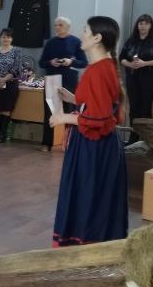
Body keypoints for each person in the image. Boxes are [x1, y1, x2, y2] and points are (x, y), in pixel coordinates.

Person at [50, 16, 127, 247]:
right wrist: (74, 98)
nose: (81, 34)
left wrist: (64, 117)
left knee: (88, 196)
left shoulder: (99, 70)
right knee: (92, 197)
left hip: (94, 146)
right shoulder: (103, 66)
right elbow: (98, 104)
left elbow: (100, 117)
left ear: (97, 38)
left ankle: (86, 247)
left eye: (85, 30)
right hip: (97, 145)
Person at [39, 17, 87, 152]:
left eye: (60, 25)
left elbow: (84, 62)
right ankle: (47, 143)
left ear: (68, 27)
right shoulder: (50, 42)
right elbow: (41, 62)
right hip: (52, 79)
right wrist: (51, 62)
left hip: (69, 81)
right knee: (50, 111)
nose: (57, 27)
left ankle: (69, 143)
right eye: (56, 25)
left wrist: (71, 62)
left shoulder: (76, 42)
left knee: (70, 111)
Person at [119, 14, 153, 144]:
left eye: (146, 23)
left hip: (149, 78)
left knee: (145, 109)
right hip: (132, 78)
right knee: (134, 109)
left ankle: (147, 140)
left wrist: (145, 63)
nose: (143, 26)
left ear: (150, 26)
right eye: (141, 23)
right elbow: (121, 58)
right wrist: (130, 64)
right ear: (137, 25)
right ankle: (133, 140)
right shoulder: (131, 41)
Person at [0, 28, 22, 143]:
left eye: (8, 37)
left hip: (10, 84)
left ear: (11, 39)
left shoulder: (16, 51)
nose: (6, 39)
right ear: (0, 38)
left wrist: (4, 79)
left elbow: (16, 68)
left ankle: (2, 135)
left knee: (6, 109)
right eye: (3, 37)